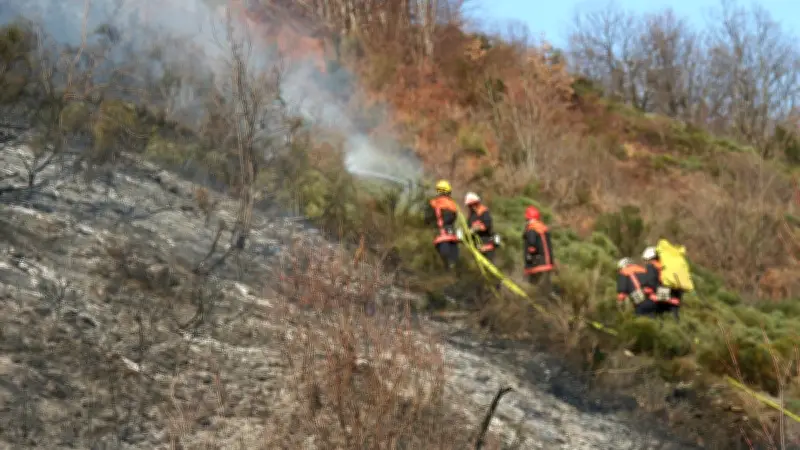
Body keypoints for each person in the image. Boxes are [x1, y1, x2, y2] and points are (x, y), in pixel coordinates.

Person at [424, 179, 460, 271]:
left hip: (440, 237)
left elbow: (427, 219)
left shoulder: (433, 203)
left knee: (444, 265)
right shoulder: (453, 205)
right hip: (452, 237)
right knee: (454, 263)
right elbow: (454, 218)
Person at [641, 246, 682, 321]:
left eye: (645, 260)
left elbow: (651, 283)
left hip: (659, 296)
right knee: (673, 319)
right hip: (674, 295)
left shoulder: (651, 266)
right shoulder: (666, 265)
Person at [522, 206, 555, 296]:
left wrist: (529, 257)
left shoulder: (532, 229)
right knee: (546, 290)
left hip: (536, 266)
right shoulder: (543, 228)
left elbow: (531, 244)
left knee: (534, 291)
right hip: (547, 264)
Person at [464, 192, 498, 263]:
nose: (470, 207)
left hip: (487, 243)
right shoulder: (471, 216)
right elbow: (468, 228)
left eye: (471, 205)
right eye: (469, 206)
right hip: (477, 246)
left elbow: (487, 225)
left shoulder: (484, 212)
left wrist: (476, 229)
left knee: (489, 264)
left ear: (476, 203)